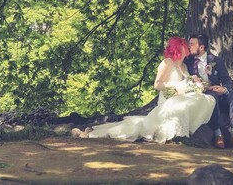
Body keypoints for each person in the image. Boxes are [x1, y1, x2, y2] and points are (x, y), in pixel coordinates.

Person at [86, 37, 215, 143]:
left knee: (201, 99)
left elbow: (186, 84)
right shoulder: (167, 63)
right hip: (168, 98)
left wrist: (193, 84)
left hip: (179, 97)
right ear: (178, 47)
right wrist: (176, 84)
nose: (186, 48)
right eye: (183, 45)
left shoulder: (185, 65)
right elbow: (157, 85)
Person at [185, 34, 233, 148]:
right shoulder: (187, 61)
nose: (189, 46)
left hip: (217, 91)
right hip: (201, 94)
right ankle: (218, 135)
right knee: (212, 97)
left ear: (201, 47)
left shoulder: (216, 60)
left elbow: (227, 80)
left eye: (192, 44)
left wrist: (224, 89)